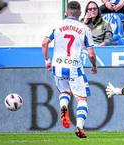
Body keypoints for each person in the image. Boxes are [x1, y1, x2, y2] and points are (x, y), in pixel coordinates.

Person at [41, 1, 97, 138]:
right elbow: (91, 54)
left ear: (66, 12)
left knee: (65, 92)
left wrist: (47, 60)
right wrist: (94, 66)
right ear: (79, 13)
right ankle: (79, 126)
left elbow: (44, 43)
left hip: (57, 65)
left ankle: (63, 107)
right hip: (74, 67)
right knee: (81, 98)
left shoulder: (57, 25)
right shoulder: (84, 29)